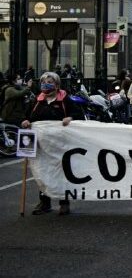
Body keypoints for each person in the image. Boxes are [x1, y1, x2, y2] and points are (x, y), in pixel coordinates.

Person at [22, 72, 84, 215]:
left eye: (49, 82)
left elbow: (79, 115)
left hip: (61, 145)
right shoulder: (37, 101)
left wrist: (70, 118)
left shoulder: (65, 100)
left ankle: (64, 203)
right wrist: (25, 121)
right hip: (41, 145)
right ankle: (44, 202)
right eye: (43, 82)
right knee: (42, 172)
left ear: (56, 85)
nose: (45, 84)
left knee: (61, 172)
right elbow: (27, 116)